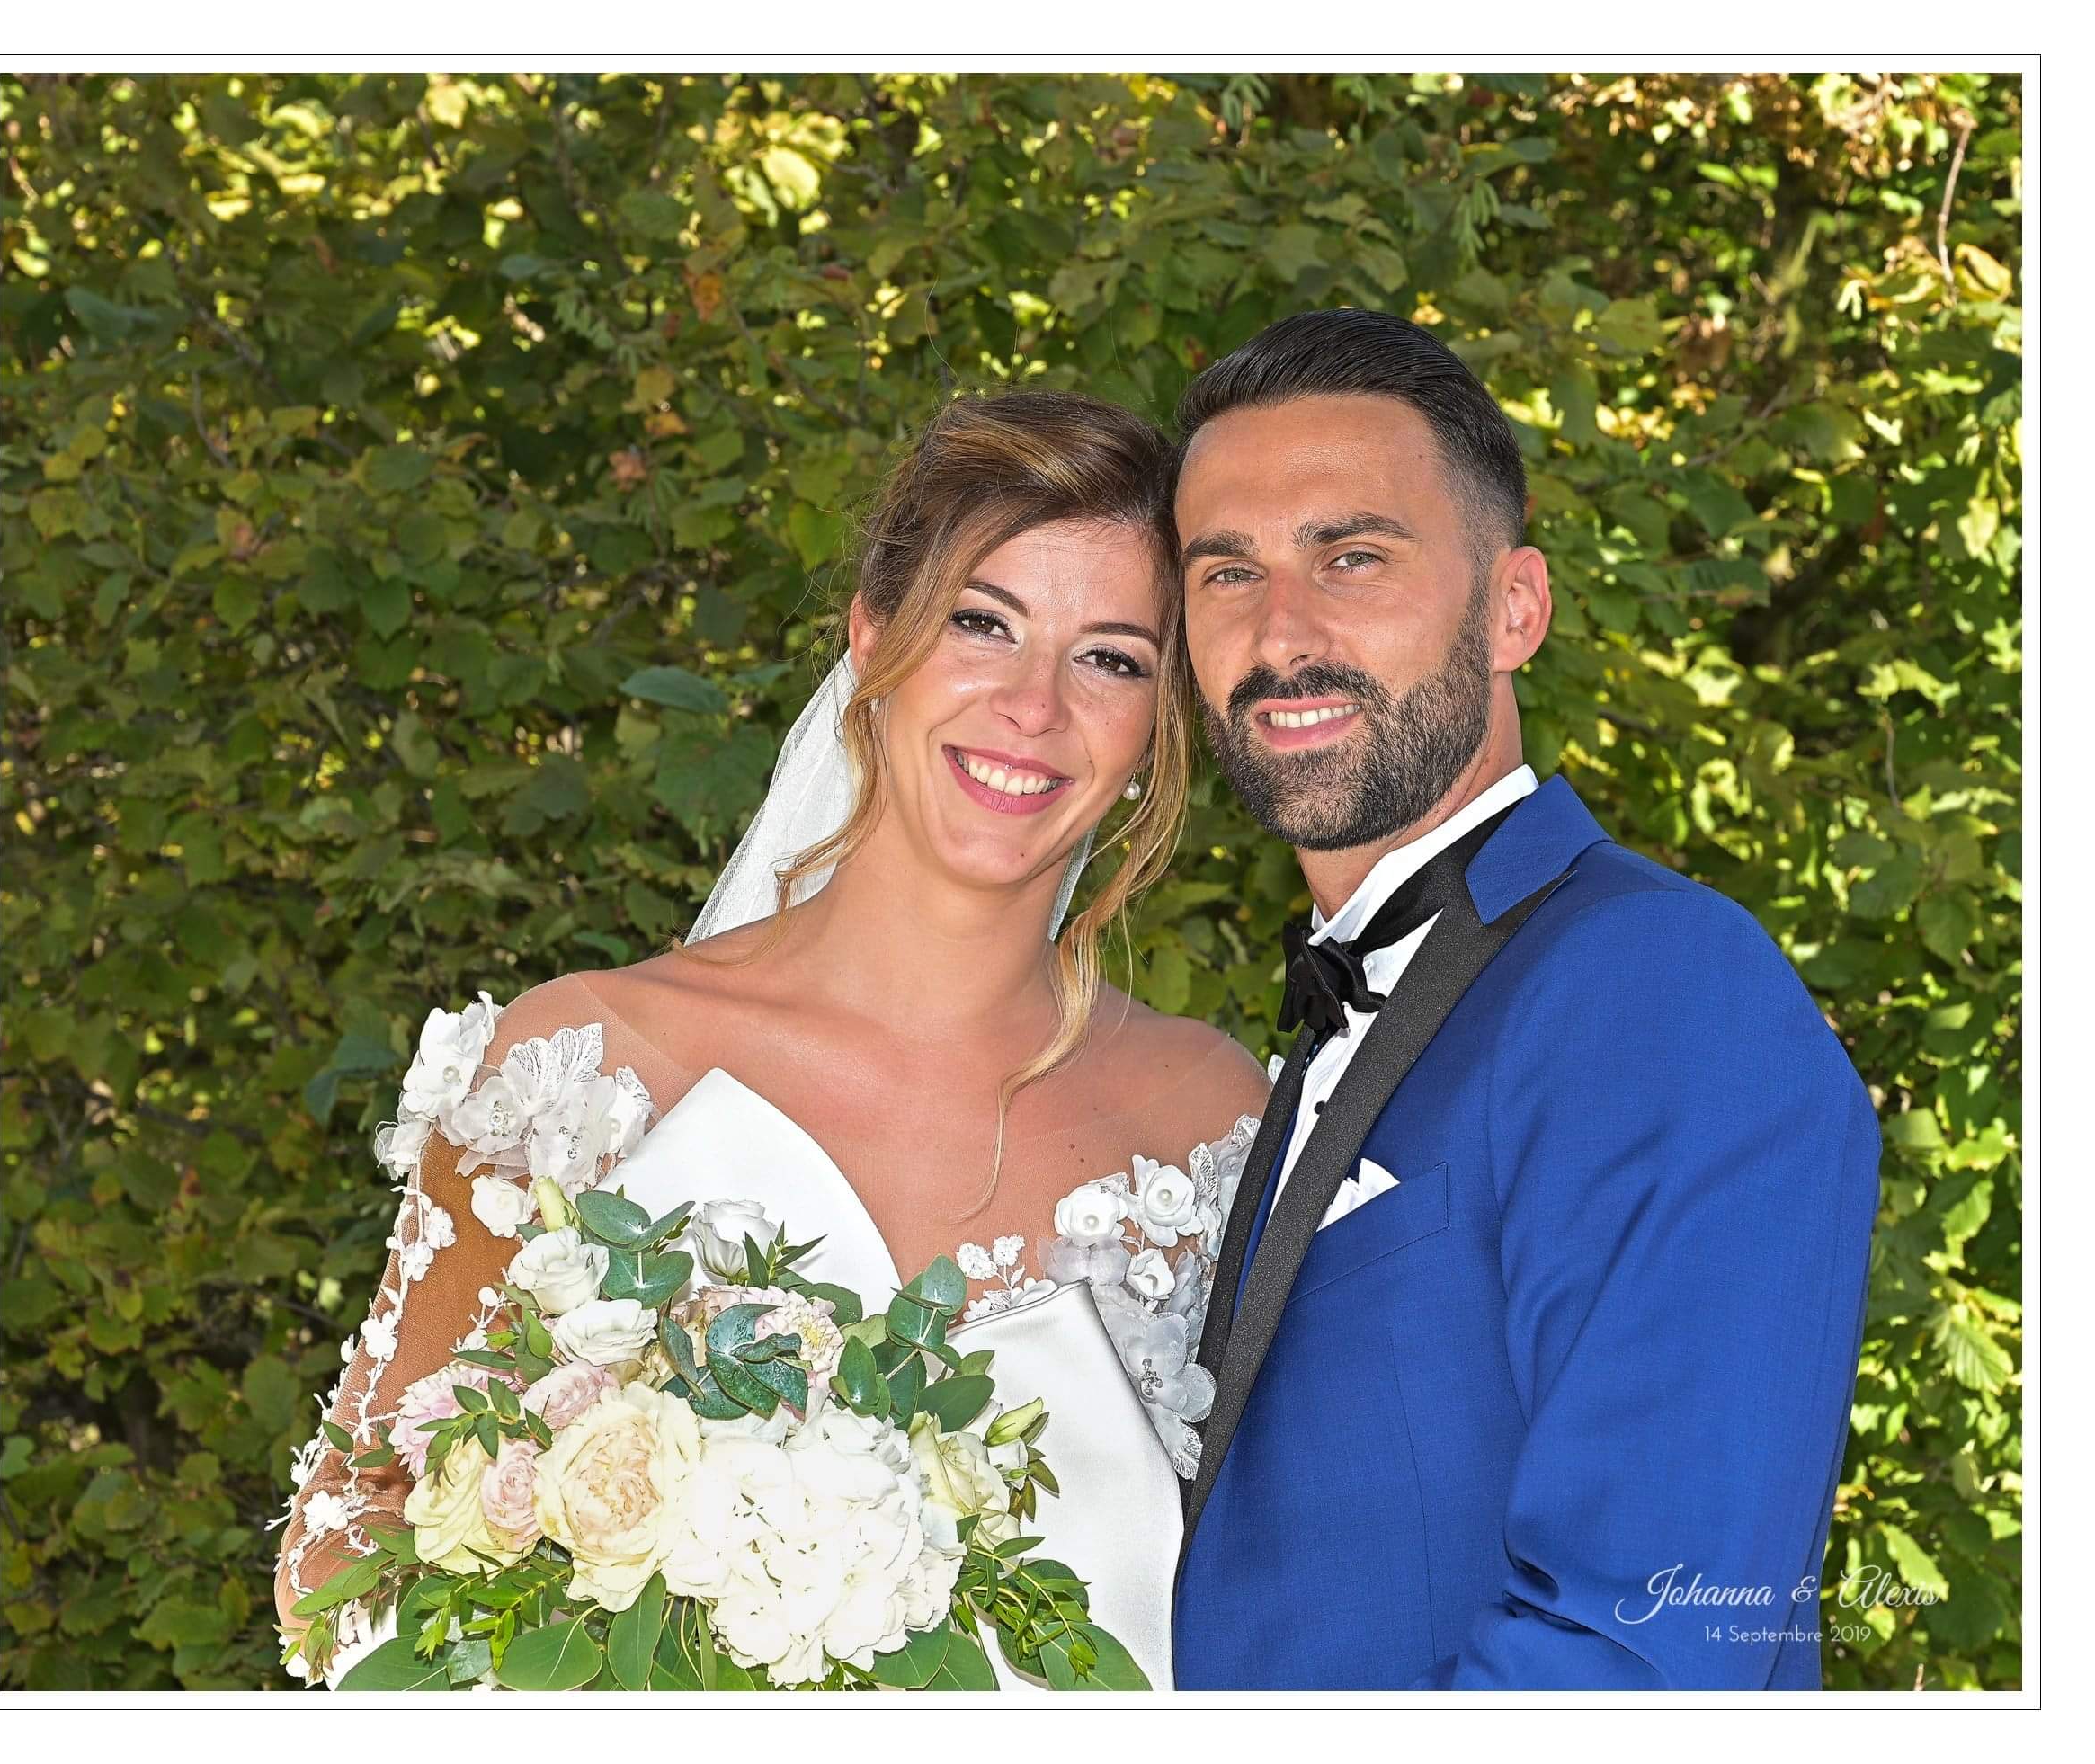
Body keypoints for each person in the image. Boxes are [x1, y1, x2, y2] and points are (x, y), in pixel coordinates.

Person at [271, 388, 1270, 1690]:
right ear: (872, 639)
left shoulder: (1211, 1120)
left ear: (1161, 721)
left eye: (1112, 659)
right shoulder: (586, 1067)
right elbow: (338, 1551)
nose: (1034, 704)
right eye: (982, 623)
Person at [1168, 309, 1880, 1690]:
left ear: (1516, 609)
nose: (1282, 632)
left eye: (1352, 557)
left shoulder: (1660, 987)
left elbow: (1645, 1650)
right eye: (1228, 572)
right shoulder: (1346, 1012)